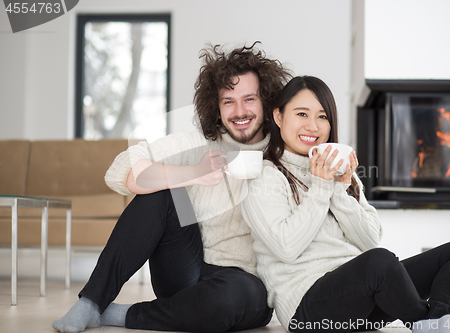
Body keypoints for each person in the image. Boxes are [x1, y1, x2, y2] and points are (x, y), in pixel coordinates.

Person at [52, 42, 292, 333]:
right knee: (161, 193)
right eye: (228, 101)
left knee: (234, 297)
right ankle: (91, 302)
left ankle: (121, 315)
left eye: (249, 99)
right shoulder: (199, 143)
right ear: (216, 109)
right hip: (185, 269)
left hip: (243, 284)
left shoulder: (285, 152)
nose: (239, 111)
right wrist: (193, 173)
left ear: (266, 102)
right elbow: (125, 171)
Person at [241, 75, 450, 332]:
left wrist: (339, 191)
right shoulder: (263, 176)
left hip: (364, 298)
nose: (313, 126)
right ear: (279, 117)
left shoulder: (339, 170)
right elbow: (286, 248)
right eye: (302, 114)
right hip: (308, 310)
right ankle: (425, 322)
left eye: (322, 116)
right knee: (379, 263)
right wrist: (321, 188)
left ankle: (442, 319)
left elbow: (369, 241)